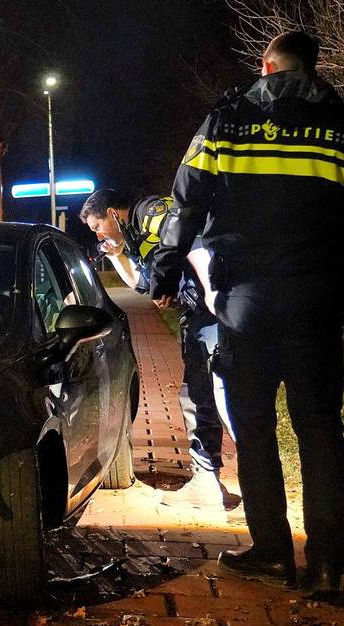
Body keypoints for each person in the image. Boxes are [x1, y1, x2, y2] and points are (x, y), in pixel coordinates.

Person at [149, 31, 344, 598]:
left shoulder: (227, 122)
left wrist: (162, 271)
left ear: (266, 66)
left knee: (254, 428)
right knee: (319, 428)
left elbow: (186, 203)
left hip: (246, 301)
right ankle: (329, 564)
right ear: (313, 70)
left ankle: (273, 554)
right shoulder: (339, 125)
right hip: (316, 298)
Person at [80, 189, 234, 510]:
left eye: (97, 226)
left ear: (112, 212)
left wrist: (216, 301)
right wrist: (117, 254)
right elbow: (142, 284)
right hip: (199, 315)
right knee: (197, 393)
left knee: (223, 394)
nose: (97, 234)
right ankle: (209, 481)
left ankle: (255, 480)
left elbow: (195, 244)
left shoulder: (151, 212)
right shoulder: (134, 235)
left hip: (214, 312)